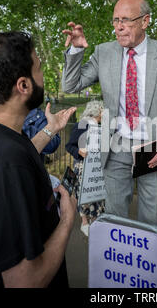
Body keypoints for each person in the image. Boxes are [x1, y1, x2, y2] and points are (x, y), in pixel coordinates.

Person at [0, 31, 77, 288]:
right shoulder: (4, 166)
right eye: (38, 68)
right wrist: (66, 221)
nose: (42, 76)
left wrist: (50, 130)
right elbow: (24, 281)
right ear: (24, 85)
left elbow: (19, 151)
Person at [62, 0, 157, 229]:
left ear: (145, 21)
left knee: (152, 224)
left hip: (155, 148)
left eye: (125, 20)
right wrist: (75, 51)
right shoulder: (104, 52)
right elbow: (71, 86)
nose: (119, 27)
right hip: (115, 147)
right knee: (115, 221)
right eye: (115, 20)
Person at [66, 100, 105, 237]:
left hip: (96, 167)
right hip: (83, 166)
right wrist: (79, 152)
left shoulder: (101, 127)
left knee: (97, 195)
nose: (104, 112)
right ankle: (84, 223)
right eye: (102, 109)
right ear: (97, 111)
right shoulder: (82, 125)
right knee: (84, 195)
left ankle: (95, 221)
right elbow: (69, 146)